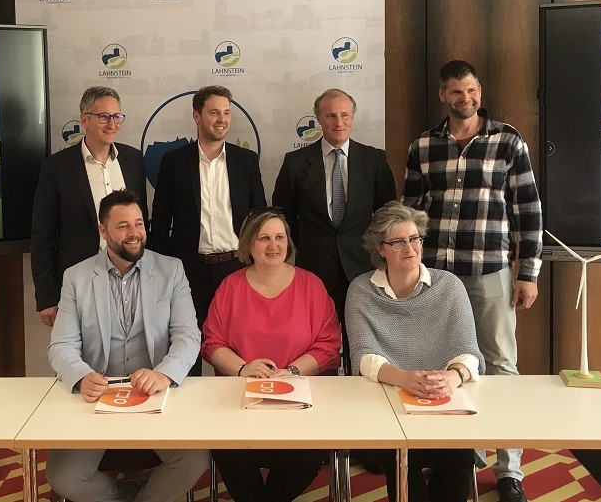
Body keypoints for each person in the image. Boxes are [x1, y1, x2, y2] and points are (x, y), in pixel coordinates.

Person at [404, 60, 542, 502]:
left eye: (471, 90)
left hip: (490, 272)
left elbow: (528, 210)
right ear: (442, 95)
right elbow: (410, 215)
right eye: (456, 92)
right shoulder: (423, 145)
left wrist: (528, 272)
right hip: (437, 277)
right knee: (445, 363)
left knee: (500, 364)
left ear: (479, 90)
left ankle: (509, 470)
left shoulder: (508, 140)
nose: (465, 99)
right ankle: (463, 456)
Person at [46, 189, 208, 502]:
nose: (134, 233)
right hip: (97, 397)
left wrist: (164, 373)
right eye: (123, 226)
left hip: (155, 394)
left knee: (193, 461)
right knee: (64, 477)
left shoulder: (171, 270)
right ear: (103, 231)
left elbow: (188, 335)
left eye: (139, 223)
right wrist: (80, 376)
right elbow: (61, 345)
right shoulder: (76, 277)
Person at [345, 202, 485, 502]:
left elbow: (469, 352)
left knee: (459, 453)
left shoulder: (449, 286)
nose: (409, 248)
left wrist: (453, 377)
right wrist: (404, 379)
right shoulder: (361, 290)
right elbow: (364, 357)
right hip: (388, 406)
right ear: (380, 248)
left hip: (445, 402)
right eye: (398, 242)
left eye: (415, 239)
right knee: (398, 454)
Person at [201, 208, 342, 502]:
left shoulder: (311, 285)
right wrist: (244, 369)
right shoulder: (230, 287)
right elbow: (212, 343)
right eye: (264, 238)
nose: (273, 245)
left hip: (300, 405)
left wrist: (291, 372)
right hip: (240, 404)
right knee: (228, 451)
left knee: (306, 454)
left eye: (280, 237)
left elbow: (329, 344)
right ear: (248, 244)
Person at [272, 88, 396, 368]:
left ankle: (360, 388)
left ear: (353, 117)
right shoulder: (295, 163)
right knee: (314, 342)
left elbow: (387, 216)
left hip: (362, 266)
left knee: (361, 342)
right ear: (318, 119)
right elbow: (283, 218)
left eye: (344, 115)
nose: (338, 122)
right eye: (330, 116)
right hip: (313, 269)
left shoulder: (374, 160)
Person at [150, 85, 266, 375]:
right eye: (214, 112)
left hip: (236, 269)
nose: (222, 119)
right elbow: (160, 220)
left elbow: (259, 217)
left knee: (234, 351)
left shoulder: (246, 161)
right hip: (188, 271)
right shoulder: (174, 162)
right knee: (187, 347)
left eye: (226, 113)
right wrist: (161, 271)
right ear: (196, 116)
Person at [31, 86, 147, 328]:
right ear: (84, 120)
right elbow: (43, 235)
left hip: (130, 281)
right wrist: (47, 297)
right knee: (80, 351)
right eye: (103, 116)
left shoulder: (133, 160)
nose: (112, 124)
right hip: (79, 284)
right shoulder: (57, 167)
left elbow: (141, 223)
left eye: (117, 116)